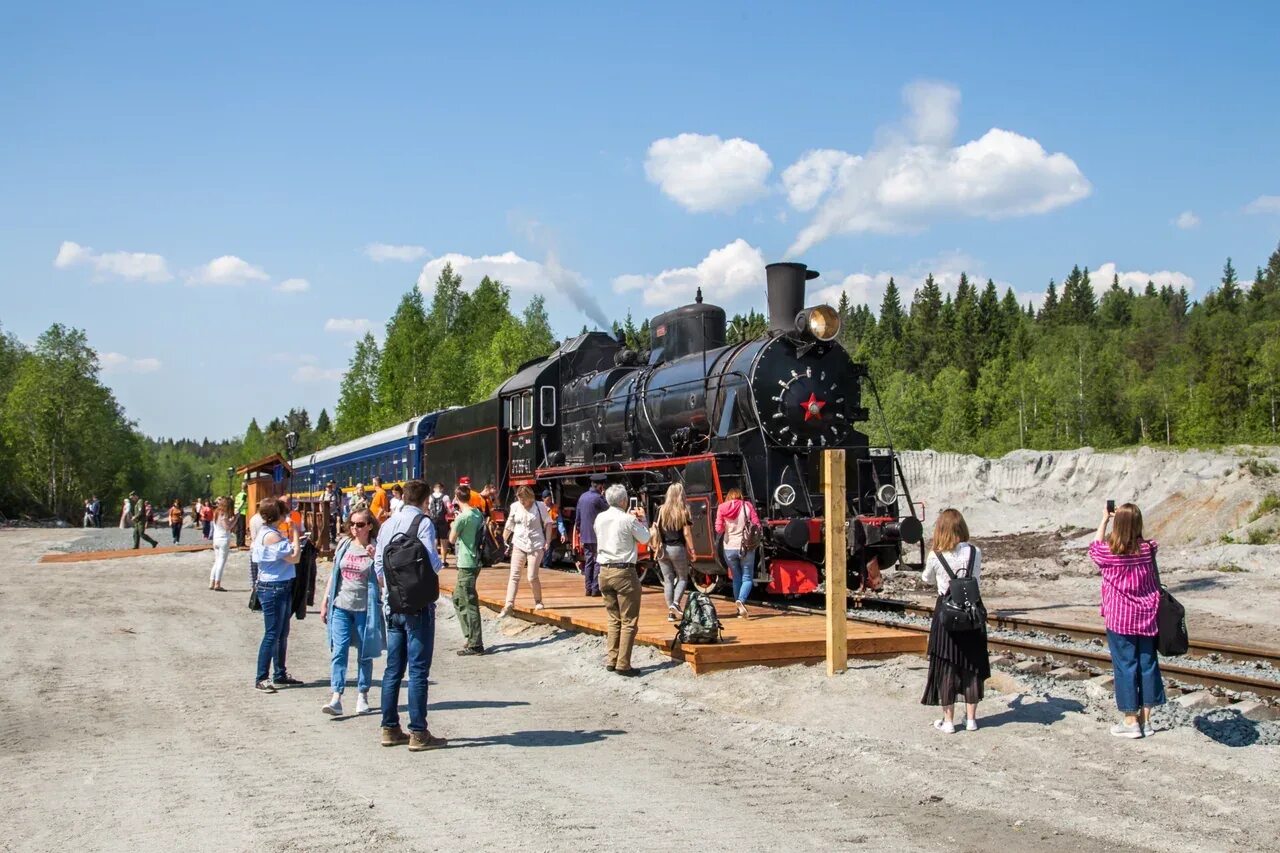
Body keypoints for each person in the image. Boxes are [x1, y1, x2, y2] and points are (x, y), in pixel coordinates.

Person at [374, 479, 447, 751]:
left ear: (404, 497)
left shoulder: (386, 525)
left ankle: (389, 728)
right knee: (417, 670)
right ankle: (418, 733)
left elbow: (378, 566)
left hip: (392, 605)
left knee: (393, 668)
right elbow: (433, 562)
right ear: (425, 500)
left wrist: (391, 591)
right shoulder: (424, 524)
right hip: (418, 606)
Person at [1090, 502, 1165, 738]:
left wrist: (1104, 520)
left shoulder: (1109, 553)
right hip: (1147, 616)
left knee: (1125, 667)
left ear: (1118, 524)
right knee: (1148, 665)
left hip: (1120, 618)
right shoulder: (1149, 549)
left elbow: (1094, 547)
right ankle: (1146, 721)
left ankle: (1130, 720)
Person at [919, 508, 989, 733]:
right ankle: (971, 720)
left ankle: (948, 722)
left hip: (947, 613)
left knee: (946, 664)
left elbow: (926, 578)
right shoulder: (975, 551)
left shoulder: (935, 555)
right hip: (971, 611)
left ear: (940, 529)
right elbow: (976, 577)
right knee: (972, 663)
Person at [320, 508, 385, 716]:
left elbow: (384, 582)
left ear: (369, 526)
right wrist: (325, 600)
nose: (354, 528)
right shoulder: (344, 544)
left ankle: (362, 694)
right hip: (341, 606)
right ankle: (336, 697)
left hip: (365, 609)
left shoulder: (376, 548)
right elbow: (334, 574)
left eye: (359, 525)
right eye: (352, 524)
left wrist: (376, 560)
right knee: (339, 651)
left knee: (364, 654)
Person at [251, 498, 301, 693]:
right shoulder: (272, 536)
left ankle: (279, 673)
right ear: (277, 515)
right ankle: (261, 677)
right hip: (274, 588)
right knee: (272, 634)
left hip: (279, 586)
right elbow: (294, 557)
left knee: (281, 633)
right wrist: (295, 532)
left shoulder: (269, 533)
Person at [499, 486, 551, 617]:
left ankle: (538, 601)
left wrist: (548, 541)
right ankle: (509, 604)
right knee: (514, 575)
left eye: (524, 500)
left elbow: (548, 523)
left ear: (530, 497)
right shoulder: (515, 506)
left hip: (536, 544)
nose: (521, 502)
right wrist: (502, 542)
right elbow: (509, 525)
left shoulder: (540, 506)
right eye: (519, 499)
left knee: (532, 576)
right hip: (519, 543)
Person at [449, 486, 486, 655]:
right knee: (457, 598)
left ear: (457, 498)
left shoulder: (462, 518)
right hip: (475, 561)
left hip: (467, 562)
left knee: (469, 602)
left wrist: (454, 523)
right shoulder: (477, 513)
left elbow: (451, 539)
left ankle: (475, 644)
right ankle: (470, 635)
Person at [715, 488, 761, 618]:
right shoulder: (747, 506)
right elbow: (756, 524)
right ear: (740, 496)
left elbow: (718, 529)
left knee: (736, 577)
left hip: (729, 547)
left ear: (728, 497)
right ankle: (741, 600)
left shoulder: (722, 508)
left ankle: (738, 610)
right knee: (747, 578)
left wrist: (727, 525)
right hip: (746, 546)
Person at [655, 483, 697, 621]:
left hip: (662, 548)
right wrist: (692, 550)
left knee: (668, 580)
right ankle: (675, 603)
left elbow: (654, 528)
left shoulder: (661, 510)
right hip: (677, 548)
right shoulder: (683, 511)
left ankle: (671, 613)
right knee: (682, 578)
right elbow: (686, 533)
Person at [574, 474, 609, 596]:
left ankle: (588, 588)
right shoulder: (598, 499)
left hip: (585, 535)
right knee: (598, 561)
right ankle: (595, 589)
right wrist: (604, 497)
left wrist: (579, 530)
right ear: (600, 486)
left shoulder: (582, 497)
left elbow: (577, 518)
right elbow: (609, 511)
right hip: (597, 535)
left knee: (589, 561)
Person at [209, 497, 234, 591]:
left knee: (216, 561)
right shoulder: (224, 514)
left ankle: (211, 582)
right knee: (221, 562)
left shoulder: (216, 512)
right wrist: (235, 519)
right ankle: (217, 583)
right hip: (223, 539)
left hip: (216, 539)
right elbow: (227, 527)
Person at [427, 483, 450, 564]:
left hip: (433, 520)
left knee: (435, 540)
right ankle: (443, 561)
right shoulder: (445, 497)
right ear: (442, 489)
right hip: (443, 520)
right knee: (444, 541)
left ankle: (435, 560)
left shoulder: (430, 497)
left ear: (434, 489)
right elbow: (449, 509)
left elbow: (428, 509)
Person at [540, 491, 560, 568]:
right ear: (543, 499)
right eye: (548, 499)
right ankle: (545, 564)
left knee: (549, 548)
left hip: (552, 533)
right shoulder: (540, 507)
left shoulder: (554, 508)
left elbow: (559, 521)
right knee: (545, 549)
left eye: (550, 499)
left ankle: (547, 564)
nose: (549, 501)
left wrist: (562, 533)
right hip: (542, 532)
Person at [234, 483, 249, 548]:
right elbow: (242, 502)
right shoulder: (244, 494)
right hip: (241, 512)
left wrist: (235, 510)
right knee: (242, 528)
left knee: (238, 528)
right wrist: (238, 509)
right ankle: (241, 543)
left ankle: (238, 542)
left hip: (237, 512)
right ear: (246, 488)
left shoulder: (238, 494)